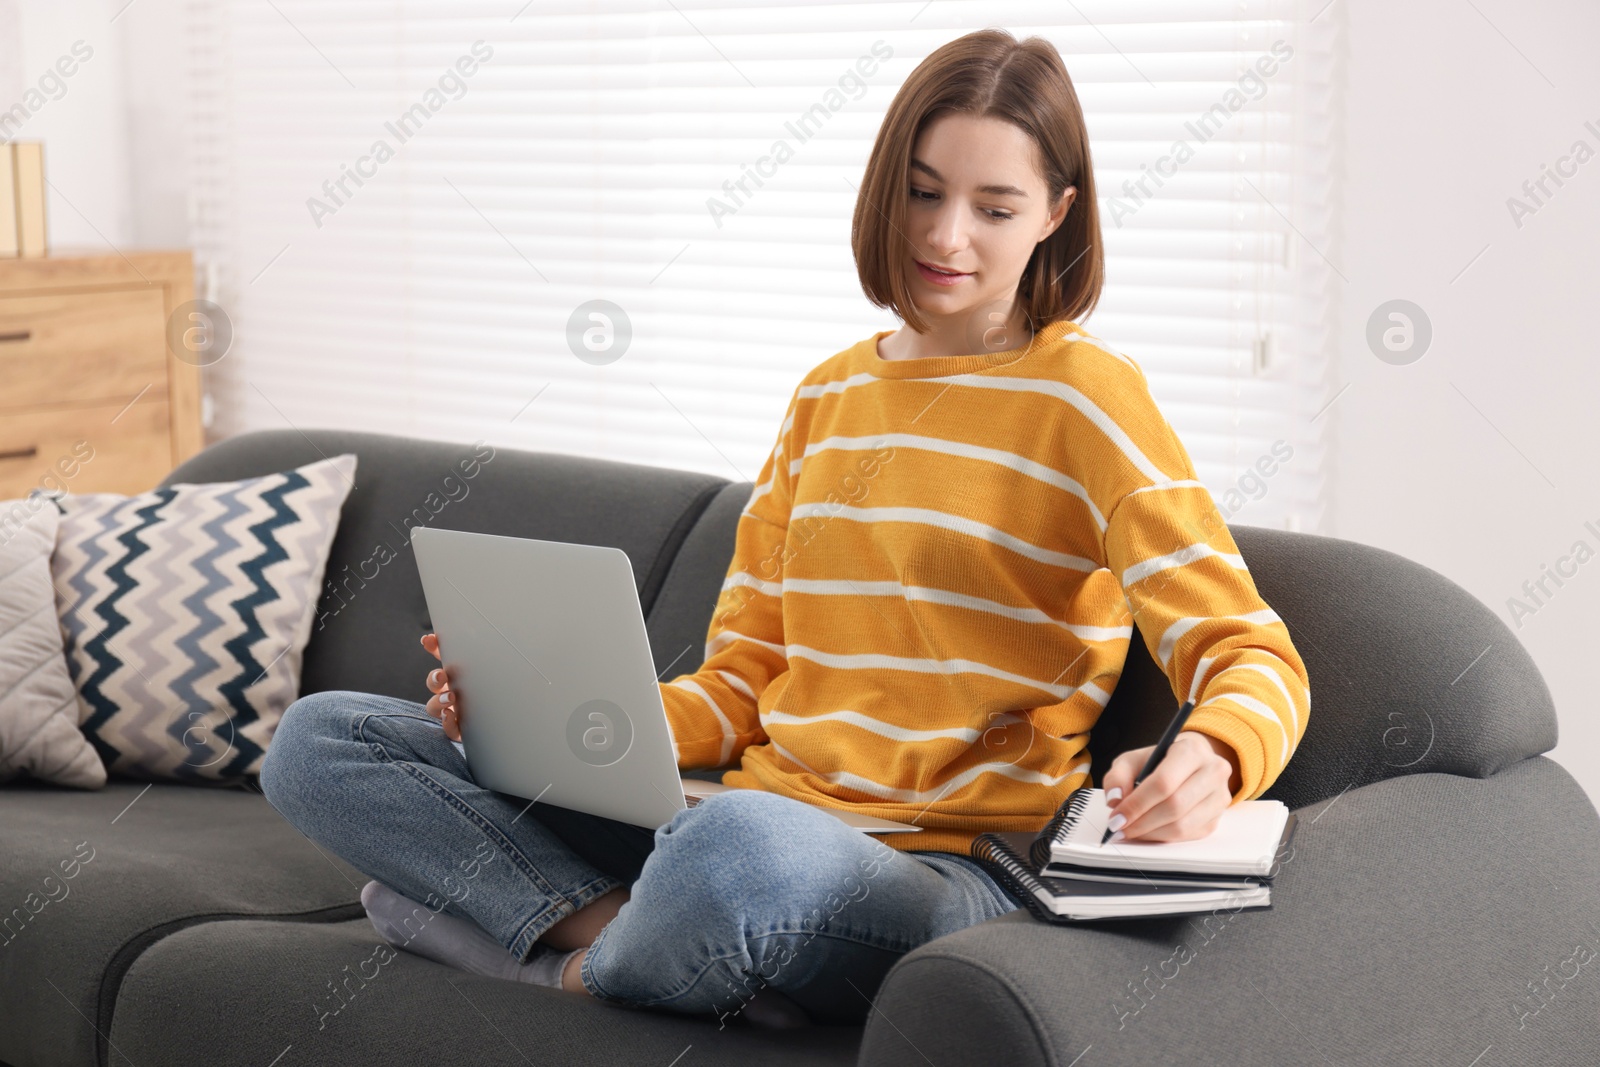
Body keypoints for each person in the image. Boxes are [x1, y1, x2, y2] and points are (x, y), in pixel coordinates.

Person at [259, 27, 1310, 1030]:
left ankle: (538, 951)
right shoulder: (827, 398)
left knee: (737, 854)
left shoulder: (1086, 398)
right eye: (922, 193)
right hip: (734, 815)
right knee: (321, 739)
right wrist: (548, 719)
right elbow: (743, 683)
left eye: (995, 207)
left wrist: (1214, 752)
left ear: (1056, 215)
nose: (947, 236)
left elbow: (1249, 650)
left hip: (940, 872)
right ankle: (641, 940)